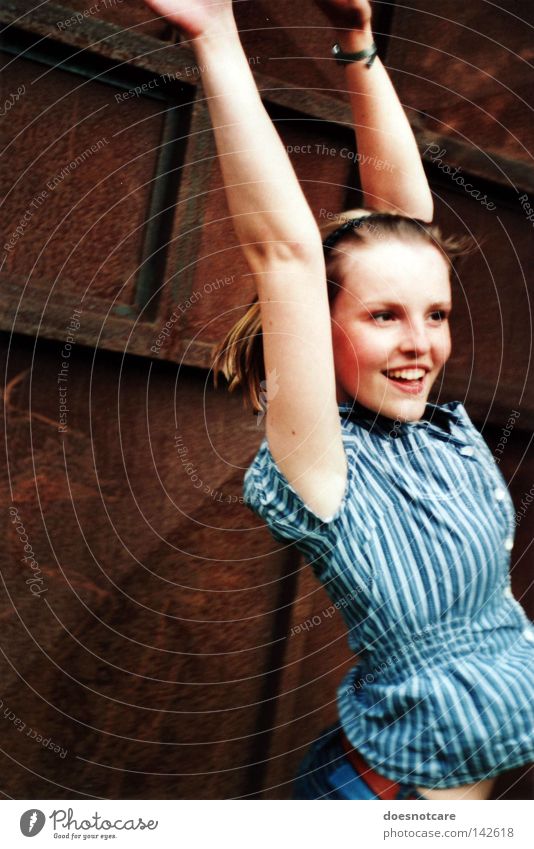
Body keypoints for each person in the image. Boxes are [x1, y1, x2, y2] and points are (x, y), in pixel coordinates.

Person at [141, 0, 534, 800]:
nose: (420, 343)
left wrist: (357, 42)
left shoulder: (430, 433)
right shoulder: (323, 464)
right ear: (319, 328)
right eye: (383, 317)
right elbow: (285, 254)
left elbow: (406, 229)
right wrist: (215, 34)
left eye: (436, 315)